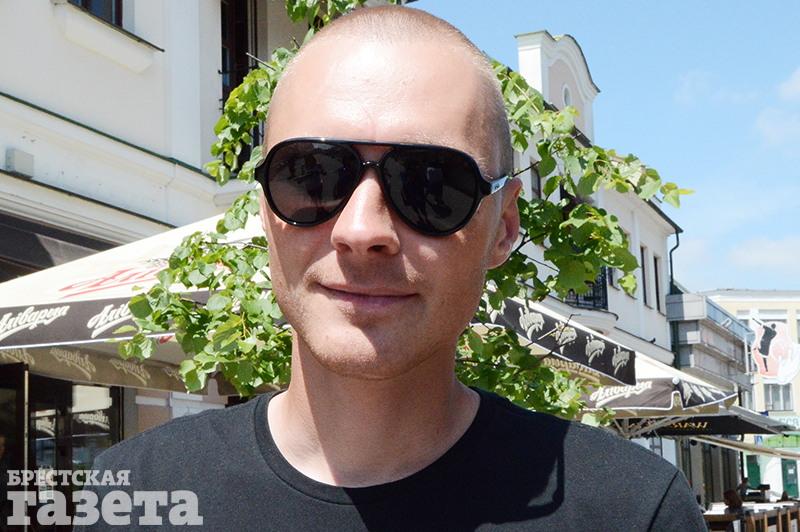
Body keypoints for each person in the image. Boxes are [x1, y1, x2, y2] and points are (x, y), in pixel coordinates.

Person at [79, 6, 705, 531]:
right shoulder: (133, 496)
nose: (361, 231)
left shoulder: (631, 513)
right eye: (311, 175)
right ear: (265, 212)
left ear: (504, 227)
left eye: (432, 184)